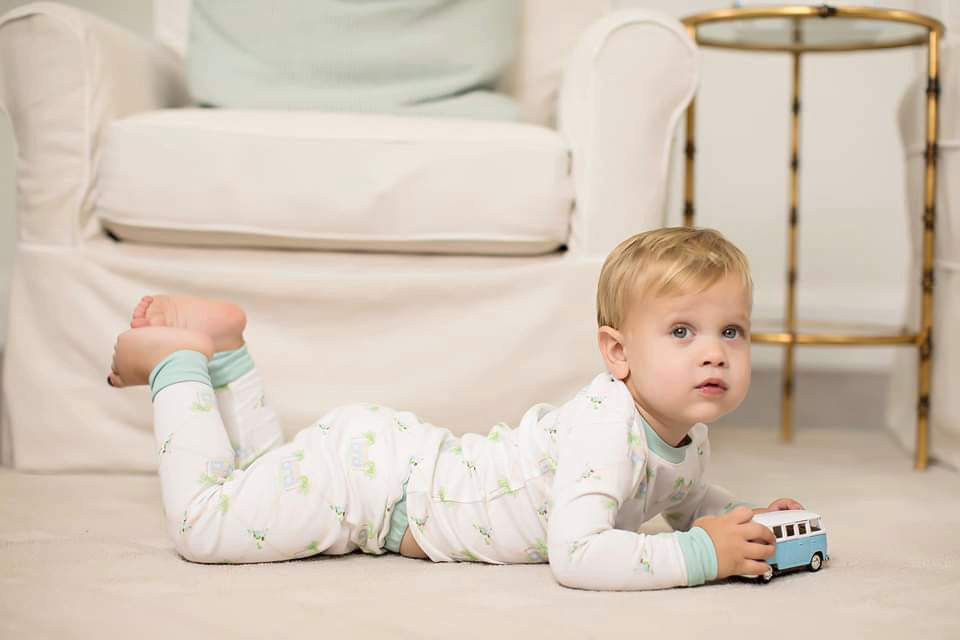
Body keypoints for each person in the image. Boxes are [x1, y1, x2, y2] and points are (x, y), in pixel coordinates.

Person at [107, 227, 802, 590]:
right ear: (616, 355)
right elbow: (581, 553)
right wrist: (700, 557)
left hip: (391, 459)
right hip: (373, 493)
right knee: (206, 524)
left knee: (263, 479)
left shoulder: (683, 432)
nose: (714, 353)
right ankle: (176, 365)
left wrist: (740, 521)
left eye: (730, 331)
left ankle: (225, 351)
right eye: (682, 331)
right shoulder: (605, 426)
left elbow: (684, 495)